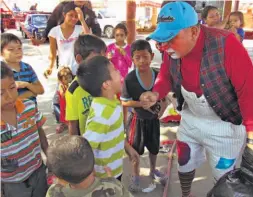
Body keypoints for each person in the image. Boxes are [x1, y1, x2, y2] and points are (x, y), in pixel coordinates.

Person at [140, 2, 253, 197]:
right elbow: (166, 75)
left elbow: (248, 92)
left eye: (170, 39)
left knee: (225, 180)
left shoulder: (226, 44)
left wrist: (251, 139)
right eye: (161, 40)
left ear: (193, 31)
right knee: (184, 162)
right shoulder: (170, 50)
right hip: (191, 118)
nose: (164, 47)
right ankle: (186, 194)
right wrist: (156, 92)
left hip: (225, 126)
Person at [77, 56, 139, 181]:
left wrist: (127, 147)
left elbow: (115, 132)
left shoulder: (111, 102)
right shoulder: (102, 114)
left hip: (115, 169)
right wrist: (91, 177)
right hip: (104, 176)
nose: (119, 72)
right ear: (106, 84)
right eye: (115, 70)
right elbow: (87, 148)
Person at [120, 40, 168, 192]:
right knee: (135, 153)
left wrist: (162, 109)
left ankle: (153, 170)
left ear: (152, 56)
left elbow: (164, 96)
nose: (142, 61)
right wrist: (141, 104)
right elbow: (125, 102)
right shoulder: (129, 79)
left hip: (153, 120)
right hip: (136, 121)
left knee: (154, 148)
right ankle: (136, 175)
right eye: (137, 57)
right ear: (132, 59)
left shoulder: (158, 74)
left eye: (145, 57)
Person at [1, 62, 48, 197]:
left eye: (12, 88)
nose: (9, 96)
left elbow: (39, 130)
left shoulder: (29, 106)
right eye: (0, 93)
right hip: (11, 183)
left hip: (37, 171)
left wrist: (48, 153)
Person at [46, 135, 134, 197]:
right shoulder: (114, 186)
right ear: (93, 163)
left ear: (60, 178)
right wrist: (110, 181)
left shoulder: (54, 192)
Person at [65, 34, 107, 136]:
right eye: (97, 59)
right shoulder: (73, 91)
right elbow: (72, 125)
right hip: (87, 146)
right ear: (79, 59)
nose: (102, 64)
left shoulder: (105, 81)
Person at [44, 2, 90, 77]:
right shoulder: (54, 31)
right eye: (70, 15)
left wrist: (82, 20)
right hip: (63, 72)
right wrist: (50, 67)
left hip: (79, 72)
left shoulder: (80, 29)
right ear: (64, 15)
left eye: (76, 16)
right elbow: (53, 54)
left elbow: (89, 38)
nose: (74, 18)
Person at [1, 33, 44, 104]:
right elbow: (4, 100)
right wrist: (27, 94)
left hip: (31, 112)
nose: (17, 52)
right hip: (11, 113)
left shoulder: (27, 68)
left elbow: (40, 90)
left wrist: (26, 84)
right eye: (11, 49)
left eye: (19, 48)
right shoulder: (1, 71)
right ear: (1, 53)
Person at [32, 0, 101, 45]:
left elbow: (97, 30)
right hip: (64, 46)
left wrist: (96, 45)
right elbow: (51, 23)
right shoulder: (62, 6)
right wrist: (42, 40)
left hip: (82, 49)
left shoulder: (90, 13)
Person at [106, 23, 132, 124]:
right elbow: (106, 64)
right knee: (112, 101)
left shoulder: (129, 48)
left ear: (126, 35)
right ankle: (113, 121)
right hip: (112, 80)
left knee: (124, 102)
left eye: (122, 35)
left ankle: (124, 122)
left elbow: (130, 64)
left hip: (123, 80)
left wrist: (125, 54)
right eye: (117, 35)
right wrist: (107, 59)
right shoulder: (110, 47)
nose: (119, 37)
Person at [54, 67, 73, 133]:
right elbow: (62, 95)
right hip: (64, 104)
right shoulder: (61, 86)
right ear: (61, 80)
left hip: (69, 104)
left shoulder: (71, 84)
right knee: (66, 117)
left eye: (70, 77)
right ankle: (67, 127)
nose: (68, 80)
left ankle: (65, 125)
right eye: (66, 79)